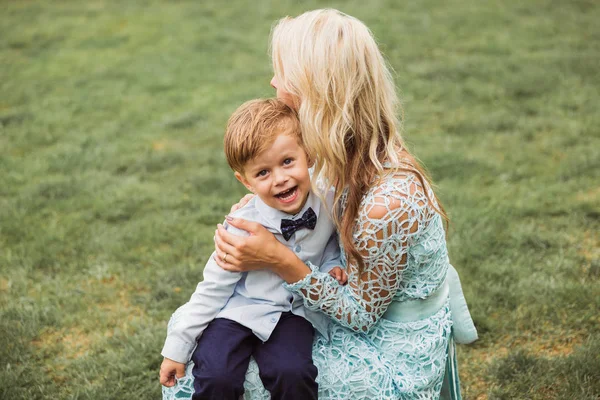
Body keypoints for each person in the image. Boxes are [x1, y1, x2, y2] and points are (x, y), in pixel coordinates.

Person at [213, 9, 478, 400]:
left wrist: (277, 259)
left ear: (316, 91)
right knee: (219, 357)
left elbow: (362, 314)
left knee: (207, 376)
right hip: (344, 305)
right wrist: (258, 212)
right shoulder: (340, 149)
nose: (272, 82)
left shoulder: (387, 203)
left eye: (282, 73)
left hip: (390, 351)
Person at [159, 98, 348, 400]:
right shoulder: (241, 227)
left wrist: (331, 265)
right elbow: (212, 289)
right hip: (238, 311)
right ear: (245, 181)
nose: (280, 179)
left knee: (293, 373)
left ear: (308, 155)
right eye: (263, 173)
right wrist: (176, 349)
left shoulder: (326, 201)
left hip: (293, 313)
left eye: (288, 162)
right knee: (216, 373)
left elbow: (326, 245)